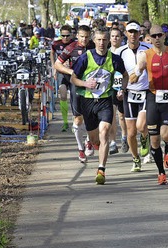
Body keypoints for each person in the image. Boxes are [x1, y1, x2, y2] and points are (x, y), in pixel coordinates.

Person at [71, 28, 128, 184]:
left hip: (105, 101)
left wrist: (121, 88)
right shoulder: (85, 58)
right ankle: (91, 142)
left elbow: (124, 76)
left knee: (104, 133)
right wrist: (85, 83)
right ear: (94, 41)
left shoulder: (115, 59)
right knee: (95, 139)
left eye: (104, 40)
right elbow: (73, 79)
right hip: (88, 102)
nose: (102, 43)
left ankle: (101, 170)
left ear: (108, 40)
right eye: (99, 40)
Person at [132, 25, 168, 185]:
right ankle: (161, 173)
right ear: (150, 37)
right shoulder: (145, 55)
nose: (157, 38)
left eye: (159, 35)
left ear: (164, 36)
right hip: (152, 97)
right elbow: (138, 70)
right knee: (154, 141)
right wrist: (135, 75)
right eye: (153, 36)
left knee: (165, 134)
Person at [54, 25, 95, 163]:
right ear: (77, 35)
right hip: (76, 84)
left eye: (87, 36)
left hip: (92, 85)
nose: (84, 39)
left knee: (92, 116)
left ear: (90, 36)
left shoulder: (95, 46)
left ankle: (89, 141)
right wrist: (72, 72)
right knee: (78, 118)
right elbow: (57, 64)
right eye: (82, 36)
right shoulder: (71, 47)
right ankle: (80, 148)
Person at [116, 21, 153, 171]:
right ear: (126, 33)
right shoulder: (120, 51)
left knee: (141, 126)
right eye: (130, 32)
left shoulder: (148, 49)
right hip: (129, 92)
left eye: (135, 32)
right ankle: (135, 158)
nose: (133, 35)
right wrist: (118, 88)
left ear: (140, 34)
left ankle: (145, 138)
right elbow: (116, 71)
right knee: (131, 132)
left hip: (146, 91)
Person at [50, 25, 75, 132]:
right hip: (61, 72)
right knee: (63, 95)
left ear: (71, 35)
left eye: (67, 35)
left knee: (75, 98)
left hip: (73, 73)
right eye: (63, 35)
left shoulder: (75, 44)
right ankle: (65, 122)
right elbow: (52, 53)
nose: (65, 38)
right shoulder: (56, 44)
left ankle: (76, 121)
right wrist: (53, 66)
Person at [110, 28, 128, 154]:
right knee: (111, 114)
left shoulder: (125, 52)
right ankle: (112, 142)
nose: (115, 38)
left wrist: (123, 86)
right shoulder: (106, 52)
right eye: (113, 36)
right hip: (110, 87)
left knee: (122, 116)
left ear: (122, 38)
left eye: (117, 36)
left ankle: (124, 137)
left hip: (122, 85)